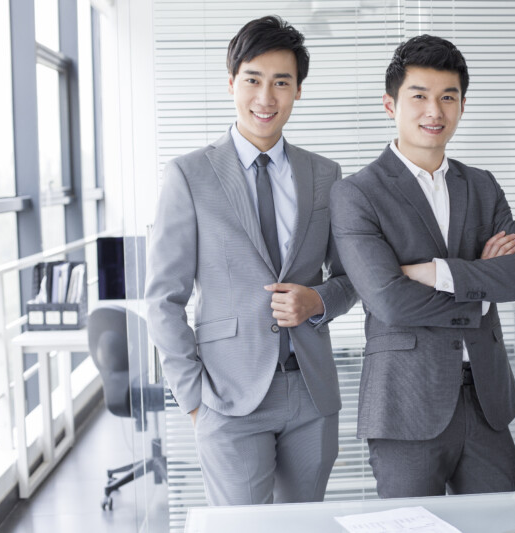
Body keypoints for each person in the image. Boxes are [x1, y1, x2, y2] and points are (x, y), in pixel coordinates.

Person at [145, 16, 357, 506]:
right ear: (231, 83)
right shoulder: (189, 175)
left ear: (298, 90)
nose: (266, 97)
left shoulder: (325, 174)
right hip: (227, 393)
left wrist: (318, 301)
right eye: (253, 80)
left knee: (305, 525)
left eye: (281, 82)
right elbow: (163, 297)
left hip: (311, 393)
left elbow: (350, 278)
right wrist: (194, 398)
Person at [330, 35, 515, 498]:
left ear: (463, 106)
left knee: (498, 526)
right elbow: (388, 299)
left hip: (486, 401)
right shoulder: (357, 194)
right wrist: (480, 295)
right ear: (390, 104)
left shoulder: (482, 186)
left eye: (448, 97)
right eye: (419, 96)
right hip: (405, 403)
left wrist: (434, 272)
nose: (435, 111)